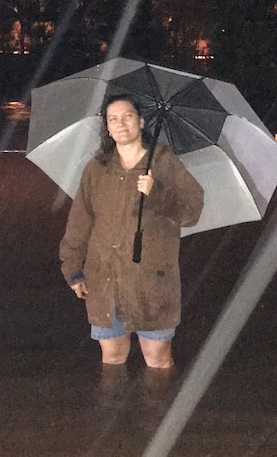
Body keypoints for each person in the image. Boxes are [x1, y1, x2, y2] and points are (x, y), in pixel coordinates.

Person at [59, 93, 204, 370]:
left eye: (127, 116)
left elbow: (192, 211)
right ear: (108, 128)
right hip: (105, 279)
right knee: (112, 360)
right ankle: (112, 410)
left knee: (158, 360)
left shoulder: (163, 162)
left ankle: (156, 410)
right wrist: (73, 269)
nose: (121, 123)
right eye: (113, 119)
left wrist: (157, 194)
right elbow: (80, 221)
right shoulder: (96, 169)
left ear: (140, 121)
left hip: (152, 281)